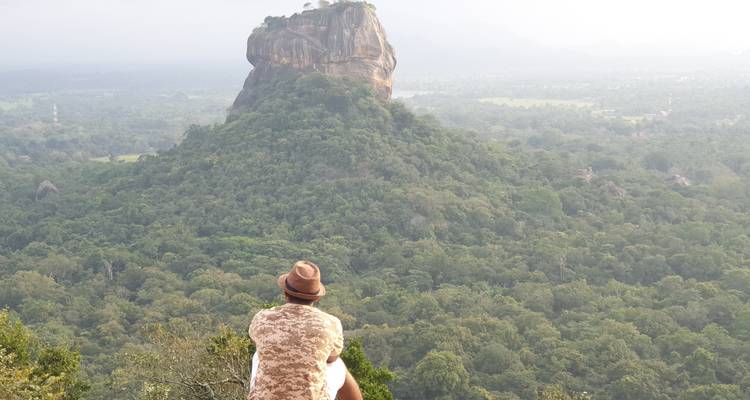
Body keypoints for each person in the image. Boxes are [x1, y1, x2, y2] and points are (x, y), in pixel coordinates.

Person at [248, 261, 363, 400]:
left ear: (286, 292)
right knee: (337, 364)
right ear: (316, 297)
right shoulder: (331, 323)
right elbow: (331, 358)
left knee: (258, 355)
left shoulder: (262, 317)